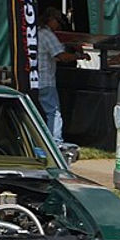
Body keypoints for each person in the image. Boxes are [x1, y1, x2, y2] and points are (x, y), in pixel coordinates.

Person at [36, 8, 77, 143]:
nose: (58, 25)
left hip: (34, 80)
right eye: (57, 21)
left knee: (36, 112)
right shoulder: (47, 35)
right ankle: (56, 142)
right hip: (46, 80)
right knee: (54, 112)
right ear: (51, 19)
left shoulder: (34, 33)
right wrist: (78, 56)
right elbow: (62, 56)